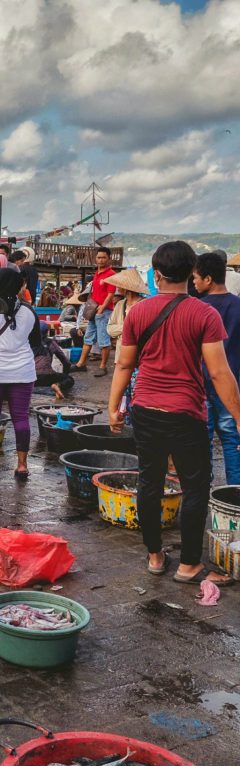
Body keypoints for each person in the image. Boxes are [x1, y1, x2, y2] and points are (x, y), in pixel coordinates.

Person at [108, 241, 240, 588]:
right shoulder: (204, 314)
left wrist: (113, 407)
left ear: (156, 273)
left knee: (149, 480)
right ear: (191, 274)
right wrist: (239, 416)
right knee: (196, 486)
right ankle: (189, 565)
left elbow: (124, 363)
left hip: (145, 409)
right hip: (186, 413)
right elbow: (219, 373)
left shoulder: (138, 312)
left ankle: (154, 555)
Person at [0, 268, 40, 479]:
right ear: (18, 286)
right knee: (21, 417)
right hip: (22, 372)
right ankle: (22, 466)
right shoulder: (29, 312)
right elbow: (37, 344)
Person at [192, 252, 240, 486]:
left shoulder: (197, 308)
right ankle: (234, 494)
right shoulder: (238, 306)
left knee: (203, 439)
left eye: (196, 278)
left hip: (200, 384)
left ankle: (202, 490)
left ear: (208, 279)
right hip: (231, 384)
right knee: (232, 439)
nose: (194, 282)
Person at [71, 247, 115, 376]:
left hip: (104, 311)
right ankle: (81, 364)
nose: (100, 260)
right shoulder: (97, 273)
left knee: (103, 340)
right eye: (98, 257)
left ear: (109, 259)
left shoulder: (111, 274)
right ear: (95, 259)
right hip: (93, 310)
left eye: (103, 257)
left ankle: (103, 366)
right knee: (88, 338)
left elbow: (111, 294)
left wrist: (102, 307)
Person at [105, 268, 148, 361]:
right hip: (120, 354)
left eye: (119, 284)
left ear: (126, 287)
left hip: (140, 355)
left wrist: (121, 329)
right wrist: (129, 327)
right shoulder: (120, 304)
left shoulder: (146, 305)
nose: (117, 287)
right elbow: (110, 329)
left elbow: (144, 330)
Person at [34, 322, 73, 399]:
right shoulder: (50, 343)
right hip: (48, 377)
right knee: (69, 379)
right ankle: (58, 385)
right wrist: (65, 375)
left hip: (31, 378)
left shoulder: (27, 342)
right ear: (47, 332)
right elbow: (66, 362)